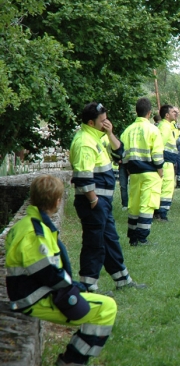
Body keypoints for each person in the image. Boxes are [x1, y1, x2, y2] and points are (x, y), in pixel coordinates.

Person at [5, 175, 118, 366]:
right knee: (107, 308)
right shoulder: (35, 232)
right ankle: (73, 362)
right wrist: (75, 286)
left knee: (100, 305)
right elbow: (48, 273)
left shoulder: (25, 224)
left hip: (34, 292)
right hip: (35, 298)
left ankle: (72, 361)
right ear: (57, 201)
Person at [69, 102, 143, 291]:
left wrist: (110, 133)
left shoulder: (97, 136)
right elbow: (83, 178)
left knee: (110, 240)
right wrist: (94, 200)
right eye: (103, 121)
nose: (106, 122)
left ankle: (123, 280)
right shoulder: (84, 142)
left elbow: (120, 153)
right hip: (93, 203)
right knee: (94, 244)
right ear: (91, 123)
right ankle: (88, 287)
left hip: (102, 203)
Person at [120, 97, 164, 246]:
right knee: (147, 205)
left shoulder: (128, 130)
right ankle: (142, 238)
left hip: (134, 172)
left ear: (136, 111)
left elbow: (123, 154)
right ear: (150, 113)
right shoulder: (153, 130)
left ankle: (132, 237)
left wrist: (127, 168)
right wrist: (160, 170)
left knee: (134, 204)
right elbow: (157, 154)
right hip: (150, 172)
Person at [155, 104, 177, 221]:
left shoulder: (167, 126)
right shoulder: (165, 127)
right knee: (167, 188)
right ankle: (161, 214)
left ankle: (159, 212)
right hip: (166, 162)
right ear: (167, 115)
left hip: (167, 161)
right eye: (173, 112)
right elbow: (160, 145)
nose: (176, 114)